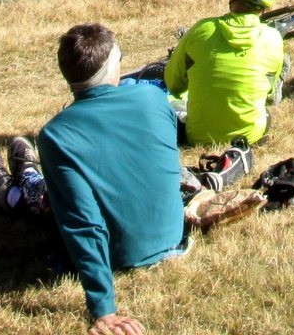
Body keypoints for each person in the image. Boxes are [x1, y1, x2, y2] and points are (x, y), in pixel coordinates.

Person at [36, 22, 189, 335]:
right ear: (110, 68)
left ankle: (14, 185)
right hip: (172, 235)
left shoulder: (55, 135)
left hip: (119, 253)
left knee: (37, 194)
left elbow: (83, 223)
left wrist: (103, 308)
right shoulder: (152, 98)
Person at [164, 0, 287, 146]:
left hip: (197, 137)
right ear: (266, 6)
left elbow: (173, 84)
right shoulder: (274, 38)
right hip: (249, 137)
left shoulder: (201, 29)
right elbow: (268, 93)